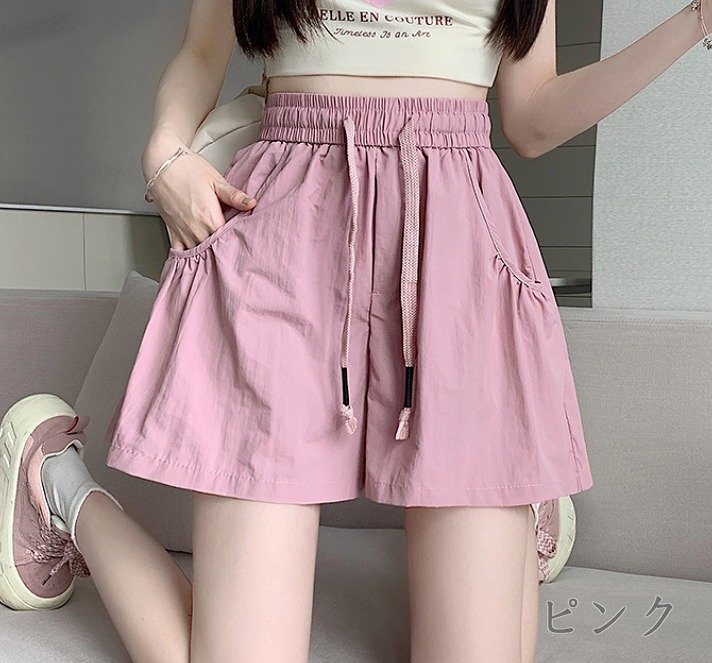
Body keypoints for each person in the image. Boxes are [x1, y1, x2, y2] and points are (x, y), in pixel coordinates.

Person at [1, 0, 709, 661]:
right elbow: (203, 50)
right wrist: (164, 155)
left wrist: (696, 19)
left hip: (454, 248)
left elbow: (533, 119)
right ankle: (57, 483)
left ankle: (512, 498)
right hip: (284, 232)